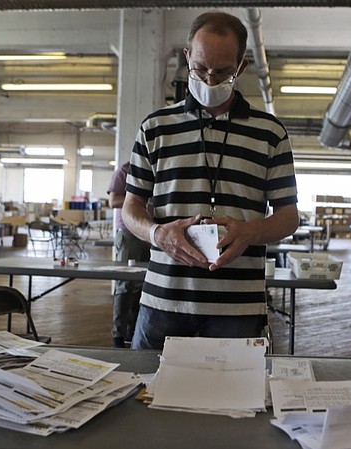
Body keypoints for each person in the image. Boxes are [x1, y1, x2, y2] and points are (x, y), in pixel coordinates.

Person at [122, 11, 300, 350]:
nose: (209, 80)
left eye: (222, 72)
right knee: (148, 395)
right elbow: (131, 207)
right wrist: (157, 233)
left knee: (236, 400)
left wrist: (251, 231)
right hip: (163, 303)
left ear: (241, 68)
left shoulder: (270, 133)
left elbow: (289, 216)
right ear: (187, 56)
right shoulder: (154, 128)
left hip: (237, 310)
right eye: (200, 68)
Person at [107, 161, 150, 348]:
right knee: (124, 284)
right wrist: (137, 200)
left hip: (149, 233)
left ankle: (133, 330)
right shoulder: (123, 171)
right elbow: (113, 201)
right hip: (128, 233)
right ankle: (118, 333)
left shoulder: (152, 170)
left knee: (142, 284)